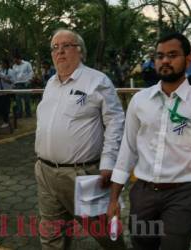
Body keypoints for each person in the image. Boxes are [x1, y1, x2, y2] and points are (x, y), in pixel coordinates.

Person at [107, 32, 191, 250]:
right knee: (141, 245)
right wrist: (114, 198)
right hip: (143, 194)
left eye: (172, 55)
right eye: (160, 56)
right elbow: (127, 149)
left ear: (188, 61)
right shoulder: (140, 101)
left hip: (183, 195)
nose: (165, 61)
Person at [34, 29, 126, 250]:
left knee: (104, 233)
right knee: (51, 235)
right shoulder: (51, 84)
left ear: (80, 51)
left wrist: (108, 162)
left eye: (67, 45)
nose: (60, 51)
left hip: (83, 174)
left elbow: (115, 122)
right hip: (46, 173)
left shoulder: (97, 80)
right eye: (55, 47)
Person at [12, 52, 34, 118]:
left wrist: (29, 80)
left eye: (15, 59)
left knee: (27, 99)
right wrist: (14, 84)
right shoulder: (14, 66)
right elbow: (14, 76)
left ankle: (28, 113)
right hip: (18, 84)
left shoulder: (27, 64)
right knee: (18, 100)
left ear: (19, 58)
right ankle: (19, 113)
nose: (14, 61)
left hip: (26, 83)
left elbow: (31, 72)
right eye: (14, 60)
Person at [0, 58, 15, 128]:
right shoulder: (1, 71)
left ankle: (6, 121)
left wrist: (4, 78)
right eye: (1, 63)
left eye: (3, 63)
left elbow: (12, 82)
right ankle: (5, 120)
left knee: (6, 107)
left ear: (6, 64)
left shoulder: (10, 71)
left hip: (7, 91)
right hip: (1, 91)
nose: (1, 65)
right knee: (1, 107)